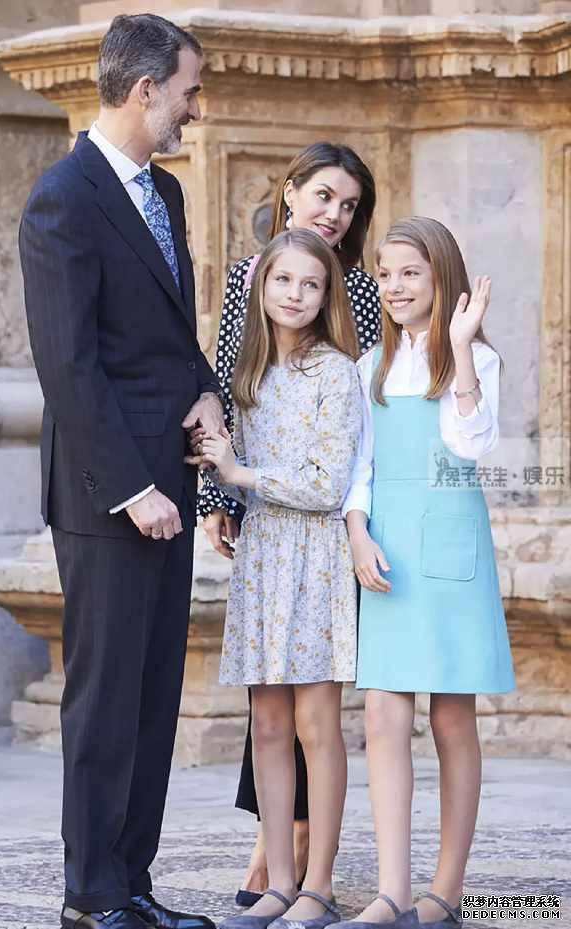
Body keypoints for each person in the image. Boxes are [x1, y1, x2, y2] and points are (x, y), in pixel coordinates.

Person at [18, 14, 225, 929]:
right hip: (110, 497)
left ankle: (132, 884)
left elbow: (169, 332)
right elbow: (67, 364)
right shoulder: (62, 198)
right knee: (104, 699)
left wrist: (206, 388)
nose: (195, 108)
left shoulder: (166, 193)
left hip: (169, 481)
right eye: (188, 90)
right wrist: (131, 487)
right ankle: (91, 895)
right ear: (145, 91)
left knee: (152, 696)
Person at [193, 142, 380, 904]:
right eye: (325, 195)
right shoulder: (249, 297)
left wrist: (245, 479)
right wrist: (215, 497)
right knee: (269, 718)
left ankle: (311, 868)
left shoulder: (353, 306)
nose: (336, 213)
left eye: (350, 205)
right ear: (292, 190)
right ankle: (276, 858)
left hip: (322, 537)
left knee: (314, 718)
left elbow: (347, 447)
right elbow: (222, 393)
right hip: (264, 545)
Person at [338, 216, 515, 929]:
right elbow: (359, 466)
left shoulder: (476, 360)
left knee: (450, 715)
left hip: (449, 549)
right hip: (388, 550)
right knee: (383, 711)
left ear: (443, 277)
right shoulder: (369, 367)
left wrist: (462, 348)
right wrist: (357, 533)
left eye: (410, 272)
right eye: (385, 274)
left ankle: (446, 889)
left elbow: (472, 444)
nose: (395, 286)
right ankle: (393, 892)